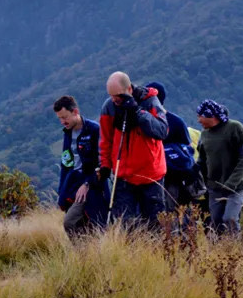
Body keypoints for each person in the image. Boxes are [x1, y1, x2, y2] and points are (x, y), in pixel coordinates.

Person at [98, 72, 168, 228]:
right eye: (111, 95)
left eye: (118, 95)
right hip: (123, 176)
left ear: (129, 89)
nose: (114, 99)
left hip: (151, 176)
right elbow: (105, 140)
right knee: (126, 226)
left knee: (155, 226)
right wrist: (105, 165)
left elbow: (162, 131)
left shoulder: (150, 102)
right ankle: (128, 252)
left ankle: (155, 252)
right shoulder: (109, 107)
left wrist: (138, 112)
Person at [54, 95, 108, 237]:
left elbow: (102, 161)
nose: (62, 121)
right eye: (59, 118)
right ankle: (84, 256)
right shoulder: (67, 133)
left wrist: (87, 183)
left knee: (71, 222)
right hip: (72, 184)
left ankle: (87, 253)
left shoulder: (93, 130)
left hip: (92, 186)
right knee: (81, 224)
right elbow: (66, 163)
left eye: (65, 117)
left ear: (75, 112)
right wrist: (61, 191)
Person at [195, 100, 243, 234]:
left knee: (230, 219)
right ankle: (219, 252)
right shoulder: (204, 135)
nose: (198, 120)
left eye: (200, 116)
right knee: (215, 222)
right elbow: (202, 161)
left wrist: (231, 183)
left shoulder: (235, 128)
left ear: (211, 116)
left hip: (236, 186)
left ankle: (235, 249)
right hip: (214, 188)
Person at [145, 82, 198, 212]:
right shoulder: (176, 121)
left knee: (169, 212)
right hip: (167, 176)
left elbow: (187, 148)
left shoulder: (146, 121)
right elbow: (188, 149)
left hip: (169, 178)